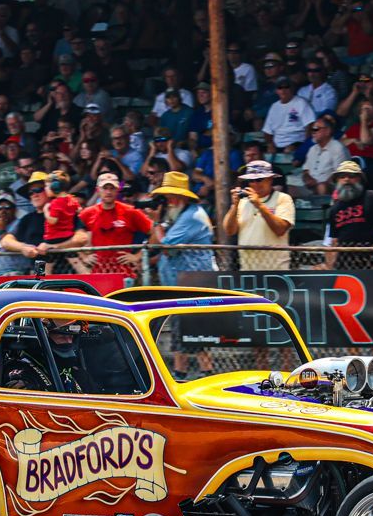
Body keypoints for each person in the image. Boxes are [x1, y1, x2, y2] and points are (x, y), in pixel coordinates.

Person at [150, 171, 216, 380]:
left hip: (193, 283)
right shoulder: (178, 214)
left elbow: (167, 247)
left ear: (183, 197)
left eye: (172, 196)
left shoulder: (191, 216)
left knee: (192, 329)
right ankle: (187, 372)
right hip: (182, 283)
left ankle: (198, 373)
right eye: (167, 197)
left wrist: (155, 223)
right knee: (183, 328)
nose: (169, 201)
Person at [222, 160, 295, 271]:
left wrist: (259, 205)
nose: (255, 184)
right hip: (247, 268)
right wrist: (234, 206)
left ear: (270, 179)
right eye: (251, 180)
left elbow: (280, 229)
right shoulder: (243, 202)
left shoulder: (283, 198)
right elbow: (229, 231)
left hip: (276, 269)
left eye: (259, 179)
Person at [79, 172, 154, 278]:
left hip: (124, 273)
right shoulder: (87, 213)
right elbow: (73, 236)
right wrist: (83, 256)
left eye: (112, 188)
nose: (108, 192)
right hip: (97, 273)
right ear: (97, 190)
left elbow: (154, 232)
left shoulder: (130, 211)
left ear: (118, 189)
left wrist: (137, 256)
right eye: (105, 188)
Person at [324, 160, 373, 271]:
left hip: (370, 261)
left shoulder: (371, 197)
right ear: (337, 181)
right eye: (342, 176)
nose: (346, 179)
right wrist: (330, 268)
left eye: (351, 176)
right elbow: (334, 242)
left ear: (359, 179)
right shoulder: (334, 209)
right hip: (344, 265)